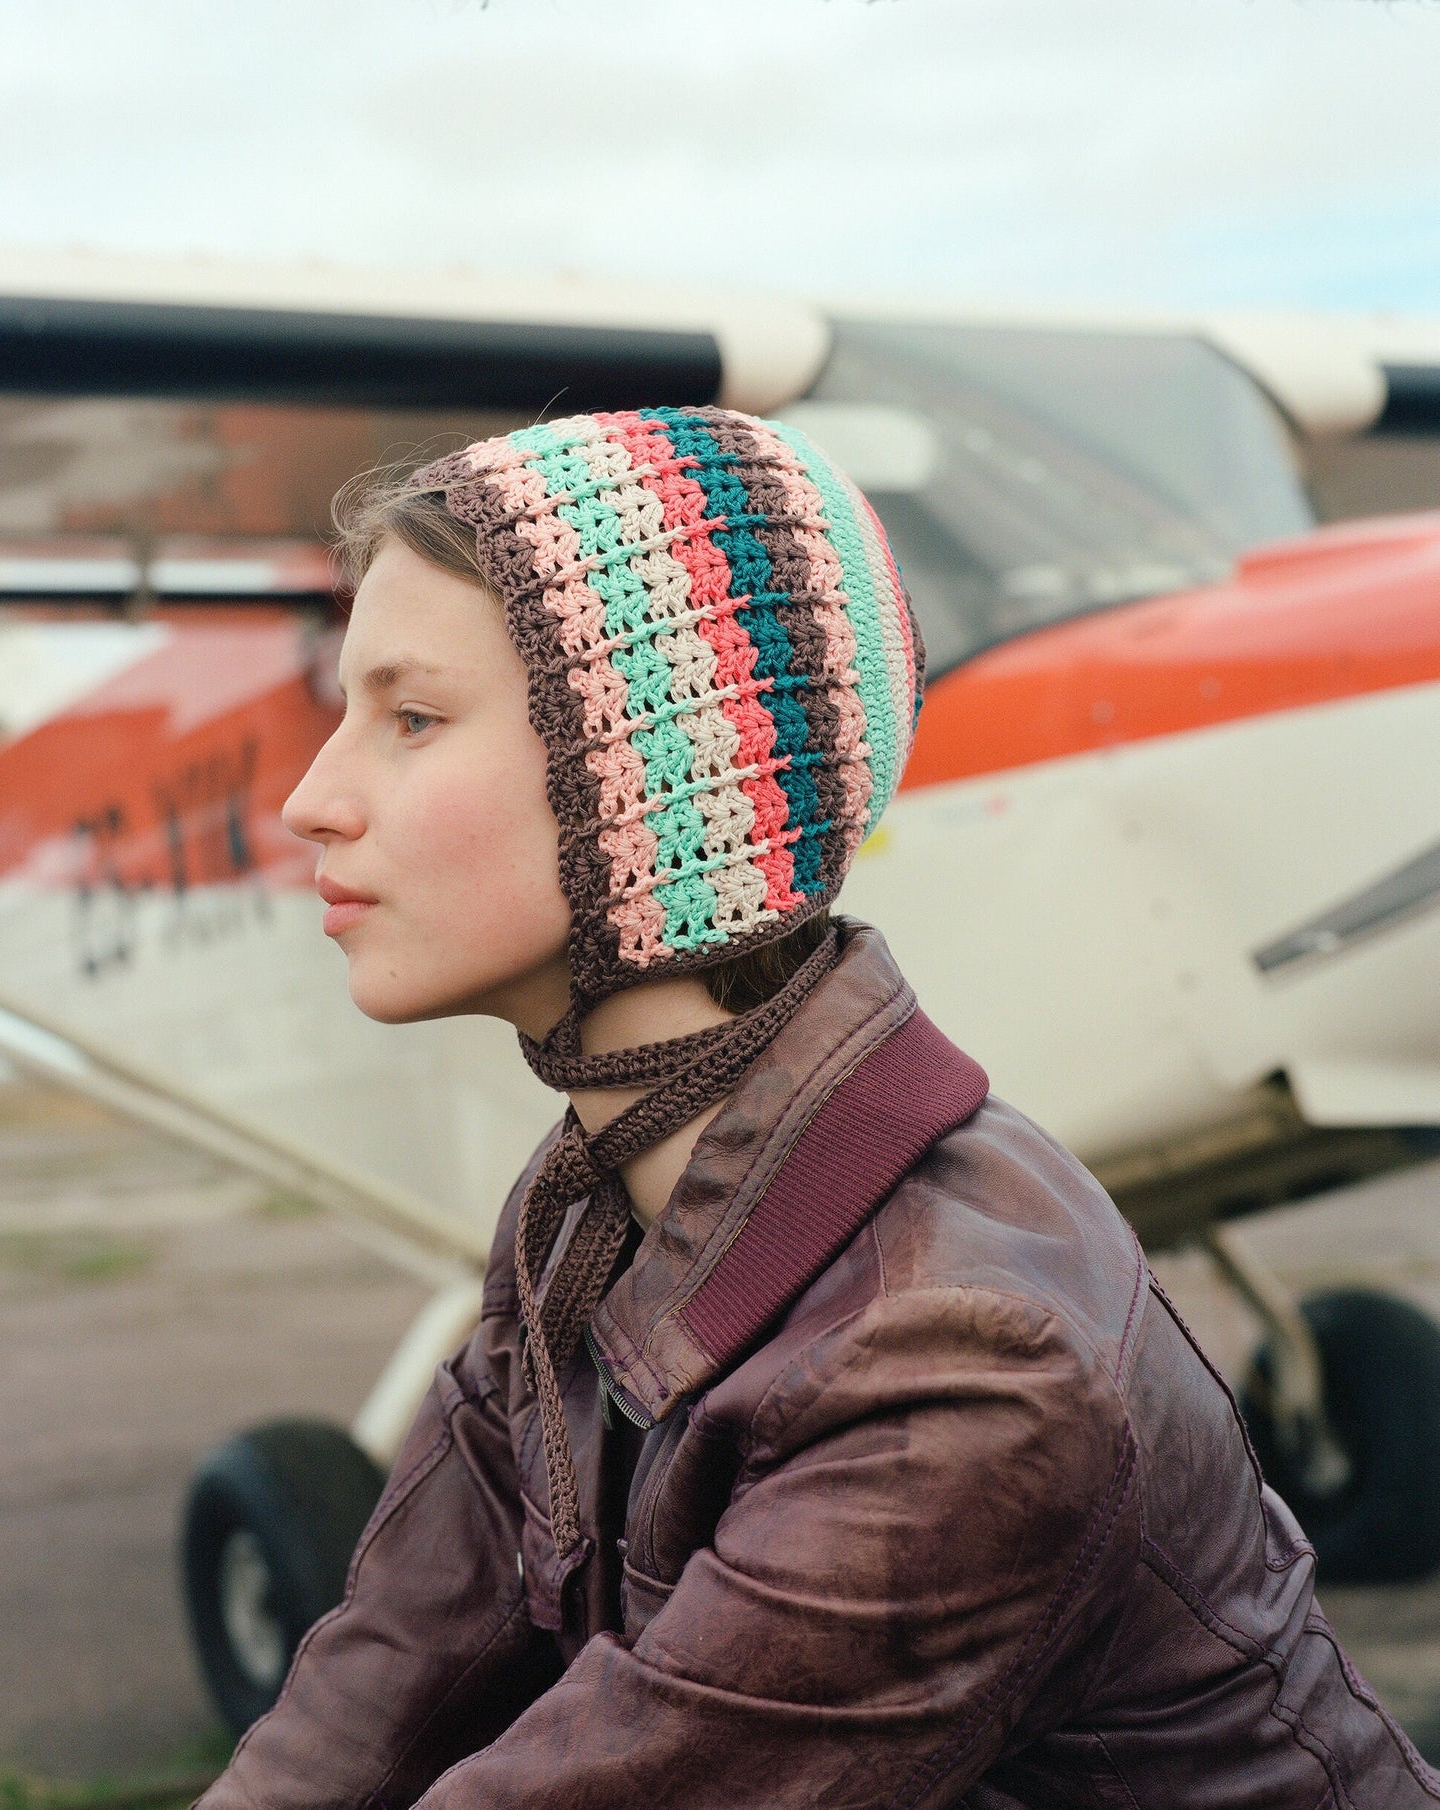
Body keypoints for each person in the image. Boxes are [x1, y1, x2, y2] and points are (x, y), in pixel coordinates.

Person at [198, 406, 1437, 1809]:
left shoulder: (961, 1365)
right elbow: (387, 1665)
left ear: (659, 790)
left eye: (412, 719)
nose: (310, 799)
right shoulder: (584, 1209)